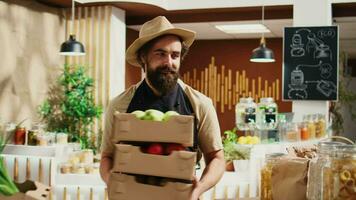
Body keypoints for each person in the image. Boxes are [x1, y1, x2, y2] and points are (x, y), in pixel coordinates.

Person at [100, 16, 225, 200]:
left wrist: (199, 189)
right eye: (160, 54)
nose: (169, 62)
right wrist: (112, 180)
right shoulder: (120, 105)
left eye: (175, 55)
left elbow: (217, 158)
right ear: (143, 57)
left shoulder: (200, 103)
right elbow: (107, 157)